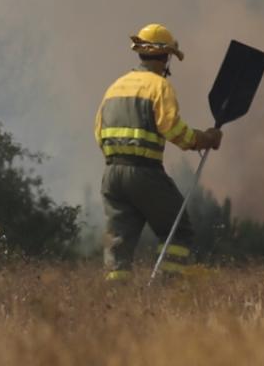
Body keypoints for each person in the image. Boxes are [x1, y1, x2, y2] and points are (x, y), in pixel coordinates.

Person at [94, 23, 222, 282]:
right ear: (165, 58)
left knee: (119, 242)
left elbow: (98, 132)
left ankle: (116, 299)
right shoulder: (159, 87)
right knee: (179, 230)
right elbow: (173, 129)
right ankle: (167, 287)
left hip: (111, 175)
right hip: (144, 173)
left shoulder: (115, 87)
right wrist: (204, 139)